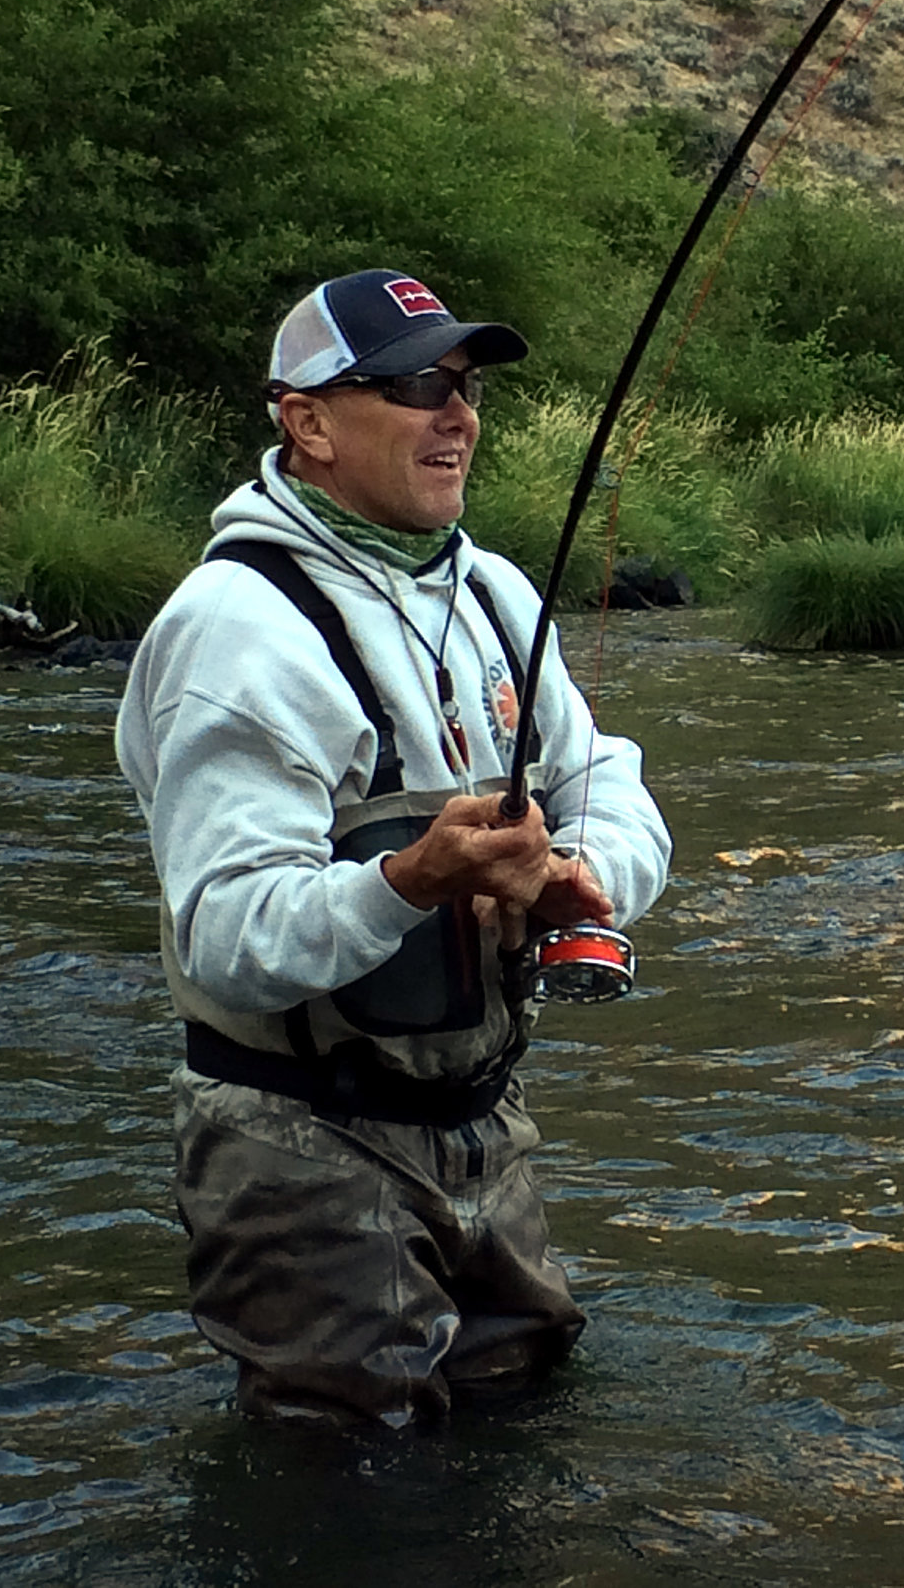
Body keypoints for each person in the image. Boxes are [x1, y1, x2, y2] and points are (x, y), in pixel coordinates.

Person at [116, 269, 672, 1429]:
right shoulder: (237, 631)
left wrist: (591, 874)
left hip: (481, 1126)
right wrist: (415, 878)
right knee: (350, 1490)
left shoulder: (496, 593)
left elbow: (603, 776)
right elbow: (225, 937)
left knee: (518, 1426)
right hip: (299, 1141)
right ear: (307, 421)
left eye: (464, 386)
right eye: (416, 384)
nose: (457, 414)